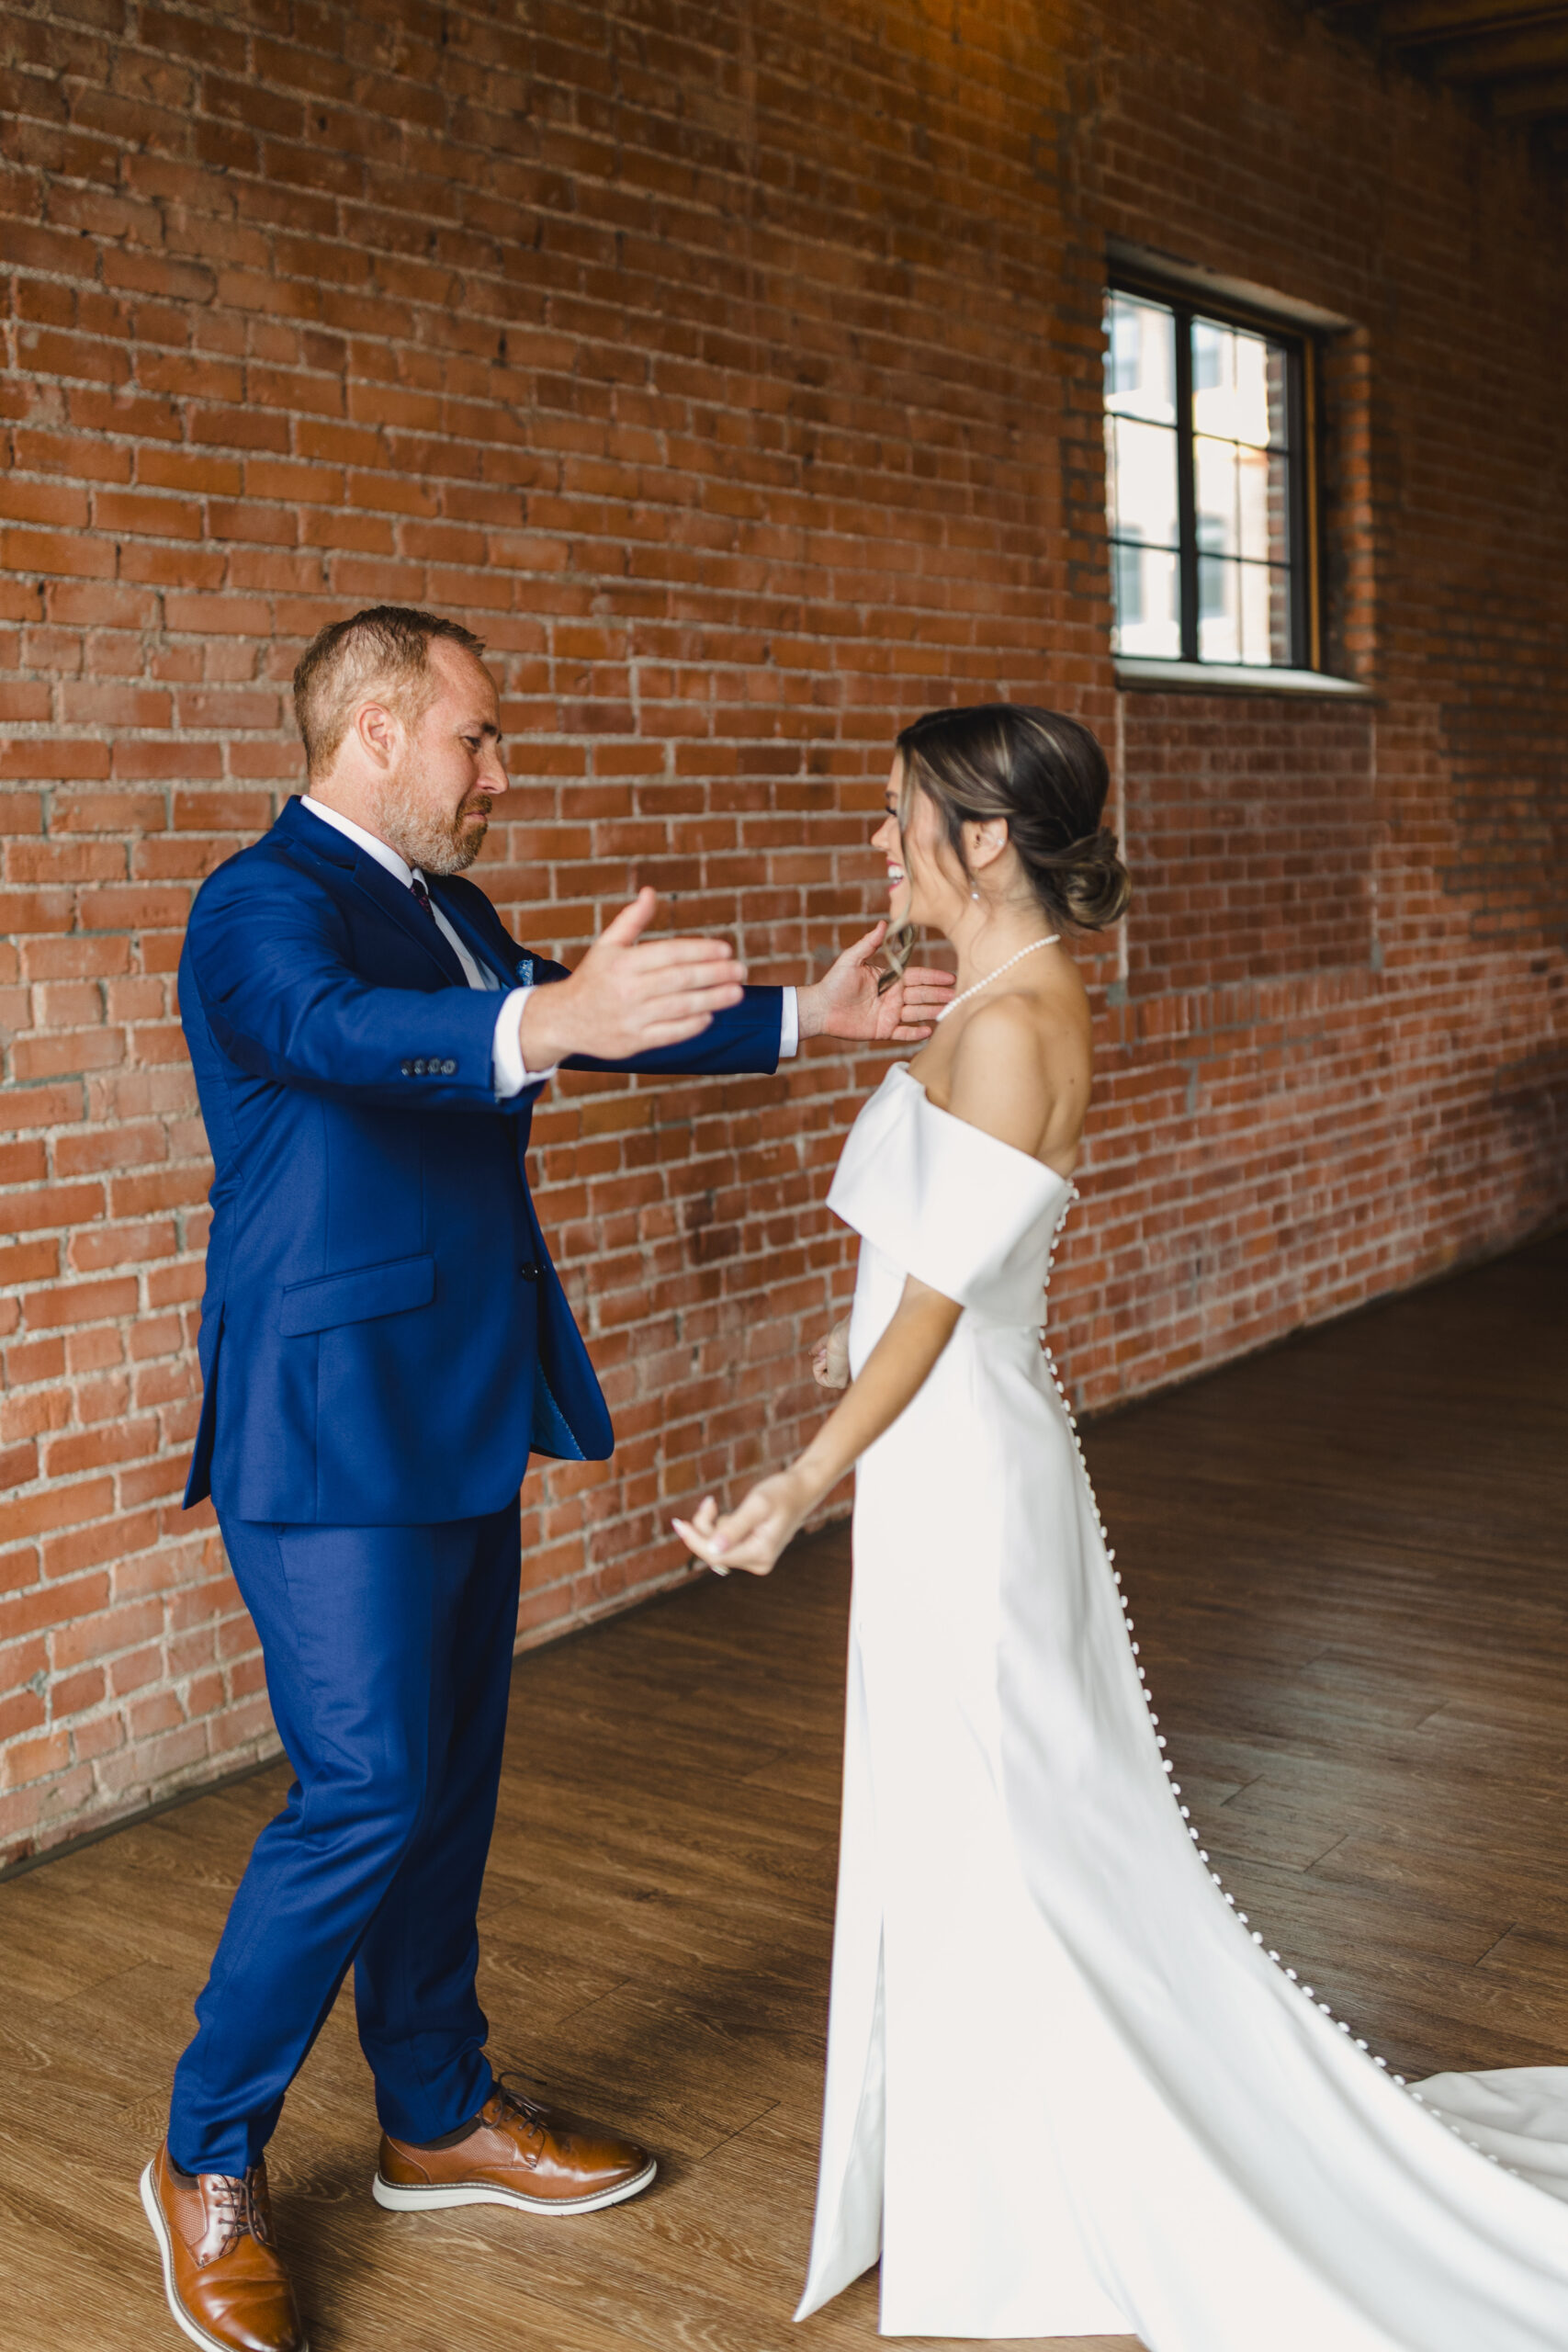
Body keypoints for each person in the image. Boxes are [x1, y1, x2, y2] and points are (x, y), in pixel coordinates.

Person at [674, 703, 1568, 2348]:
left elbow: (944, 1303)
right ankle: (999, 2156)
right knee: (977, 1807)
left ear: (983, 840)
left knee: (1026, 1816)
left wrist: (802, 1483)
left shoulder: (1017, 1022)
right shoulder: (995, 999)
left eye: (899, 815)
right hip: (942, 1441)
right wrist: (850, 1342)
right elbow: (939, 1257)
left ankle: (1071, 2173)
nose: (878, 842)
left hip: (962, 1467)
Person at [141, 605, 953, 2352]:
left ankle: (434, 2115)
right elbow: (344, 1032)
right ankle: (206, 2152)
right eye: (475, 738)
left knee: (446, 1789)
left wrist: (806, 1016)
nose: (497, 772)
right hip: (325, 1422)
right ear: (376, 734)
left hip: (457, 1401)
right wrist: (547, 1013)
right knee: (365, 1789)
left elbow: (580, 1019)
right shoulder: (258, 905)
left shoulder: (452, 907)